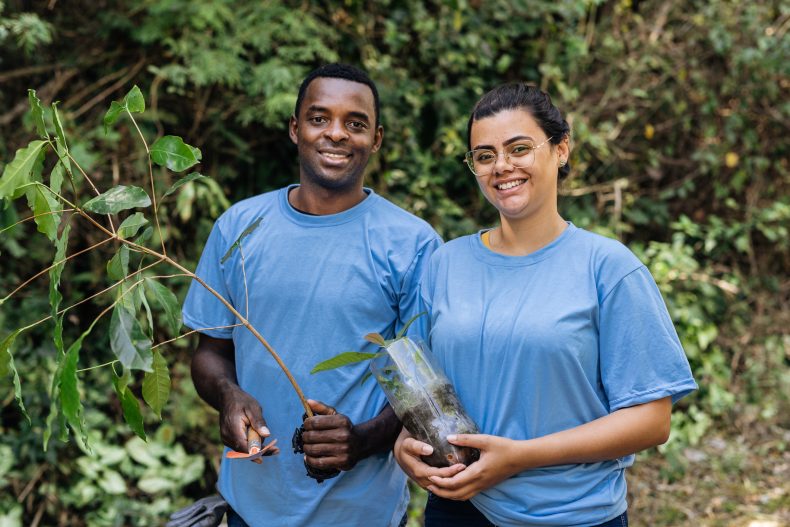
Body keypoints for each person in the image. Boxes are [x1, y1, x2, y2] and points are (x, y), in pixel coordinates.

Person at [394, 83, 698, 527]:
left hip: (573, 514)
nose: (502, 166)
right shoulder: (444, 264)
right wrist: (406, 446)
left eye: (519, 148)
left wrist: (521, 457)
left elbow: (652, 420)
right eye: (484, 155)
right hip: (457, 509)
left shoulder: (609, 268)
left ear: (561, 150)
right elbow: (423, 394)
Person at [182, 63, 441, 527]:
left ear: (376, 139)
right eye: (320, 118)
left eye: (355, 123)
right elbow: (210, 353)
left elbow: (424, 386)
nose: (336, 134)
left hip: (365, 515)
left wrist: (361, 439)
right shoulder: (239, 228)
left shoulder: (413, 244)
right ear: (295, 128)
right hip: (251, 509)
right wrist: (228, 395)